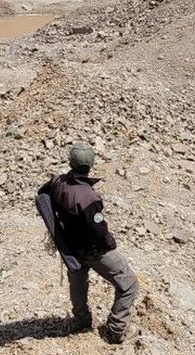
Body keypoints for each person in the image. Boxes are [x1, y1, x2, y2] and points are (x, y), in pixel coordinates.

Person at [37, 143, 138, 344]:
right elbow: (99, 230)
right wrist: (110, 244)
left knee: (78, 281)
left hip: (70, 248)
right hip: (92, 250)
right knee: (129, 285)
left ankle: (81, 320)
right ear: (91, 164)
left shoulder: (58, 182)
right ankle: (114, 331)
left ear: (71, 162)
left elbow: (44, 193)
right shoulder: (87, 197)